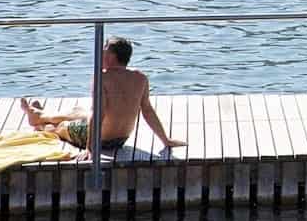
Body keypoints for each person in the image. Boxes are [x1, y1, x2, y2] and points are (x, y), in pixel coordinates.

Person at [20, 37, 184, 155]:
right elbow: (147, 111)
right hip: (121, 139)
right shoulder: (140, 78)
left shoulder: (102, 77)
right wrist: (165, 140)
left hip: (100, 140)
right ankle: (40, 114)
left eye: (104, 49)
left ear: (111, 55)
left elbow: (99, 114)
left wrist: (91, 148)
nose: (100, 52)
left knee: (61, 127)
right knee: (79, 111)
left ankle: (39, 122)